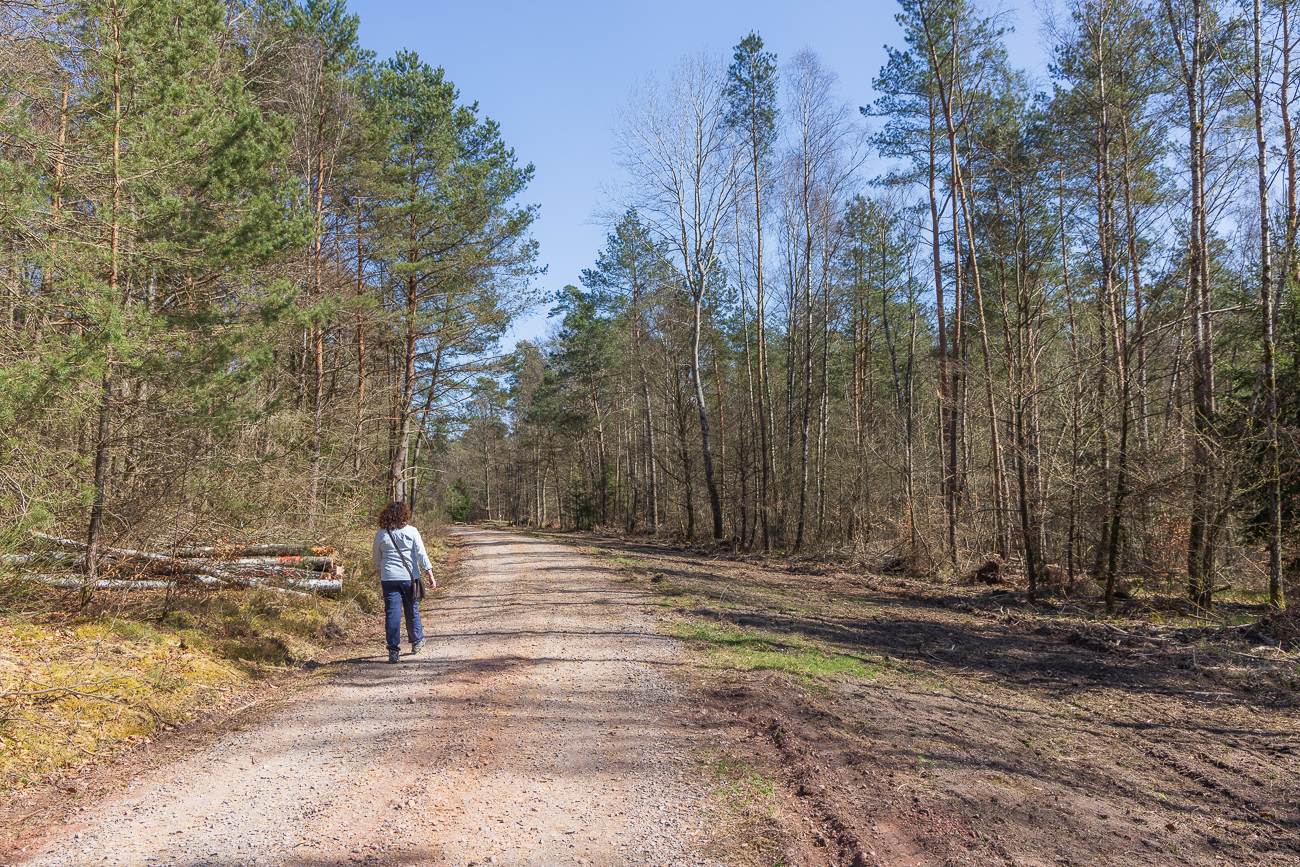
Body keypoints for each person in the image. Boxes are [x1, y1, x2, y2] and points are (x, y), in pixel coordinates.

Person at [371, 501, 437, 664]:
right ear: (404, 514)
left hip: (389, 578)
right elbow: (421, 554)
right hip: (410, 577)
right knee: (411, 610)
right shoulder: (412, 531)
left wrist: (382, 567)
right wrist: (430, 573)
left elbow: (375, 557)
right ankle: (416, 641)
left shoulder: (381, 533)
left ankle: (393, 650)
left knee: (392, 613)